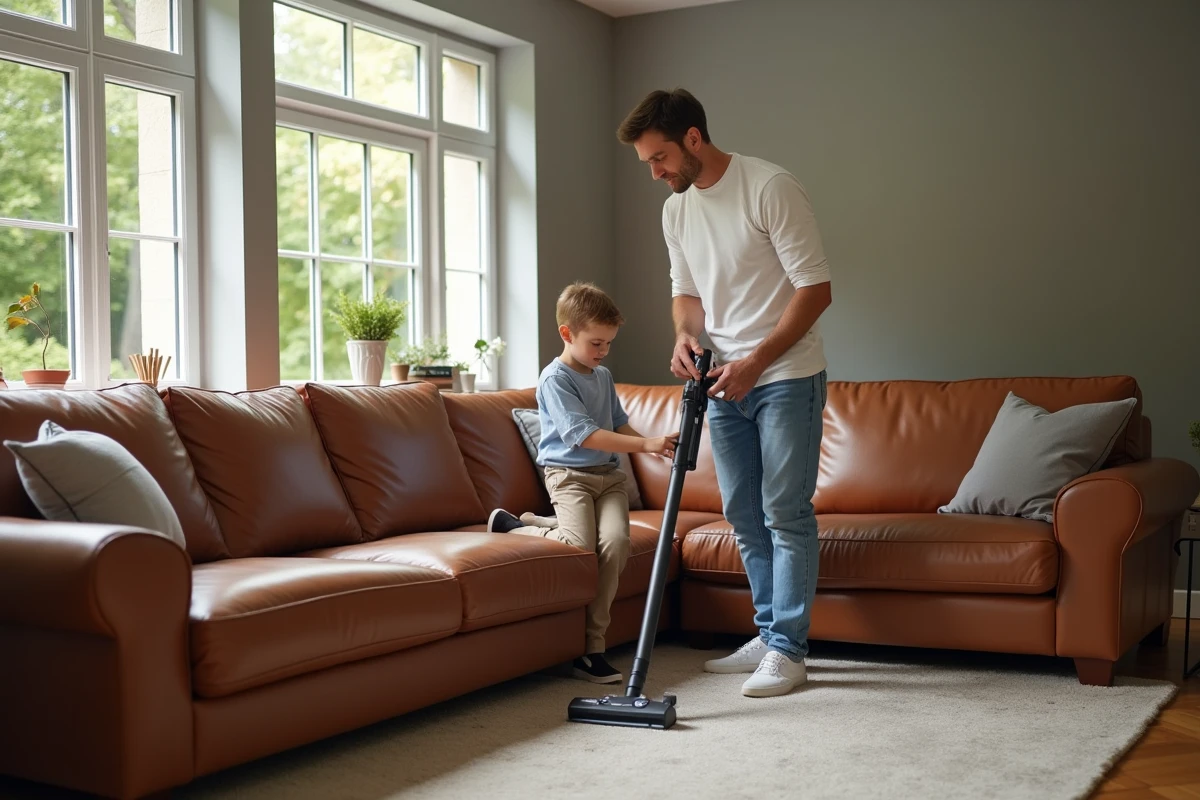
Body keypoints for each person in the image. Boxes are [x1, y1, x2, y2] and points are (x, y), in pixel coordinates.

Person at [617, 88, 833, 698]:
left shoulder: (770, 187)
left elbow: (814, 289)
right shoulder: (676, 210)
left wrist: (755, 362)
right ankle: (768, 635)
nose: (655, 173)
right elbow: (686, 295)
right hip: (719, 381)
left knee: (784, 510)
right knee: (742, 511)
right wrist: (685, 337)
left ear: (693, 138)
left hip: (785, 375)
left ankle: (790, 651)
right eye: (647, 164)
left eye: (658, 158)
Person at [487, 281, 679, 685]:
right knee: (579, 544)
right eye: (595, 343)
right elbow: (584, 434)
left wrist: (654, 444)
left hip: (608, 479)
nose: (603, 352)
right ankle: (522, 526)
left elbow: (615, 421)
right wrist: (645, 444)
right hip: (569, 477)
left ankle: (593, 648)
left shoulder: (603, 375)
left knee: (616, 544)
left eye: (608, 343)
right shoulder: (554, 379)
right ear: (566, 333)